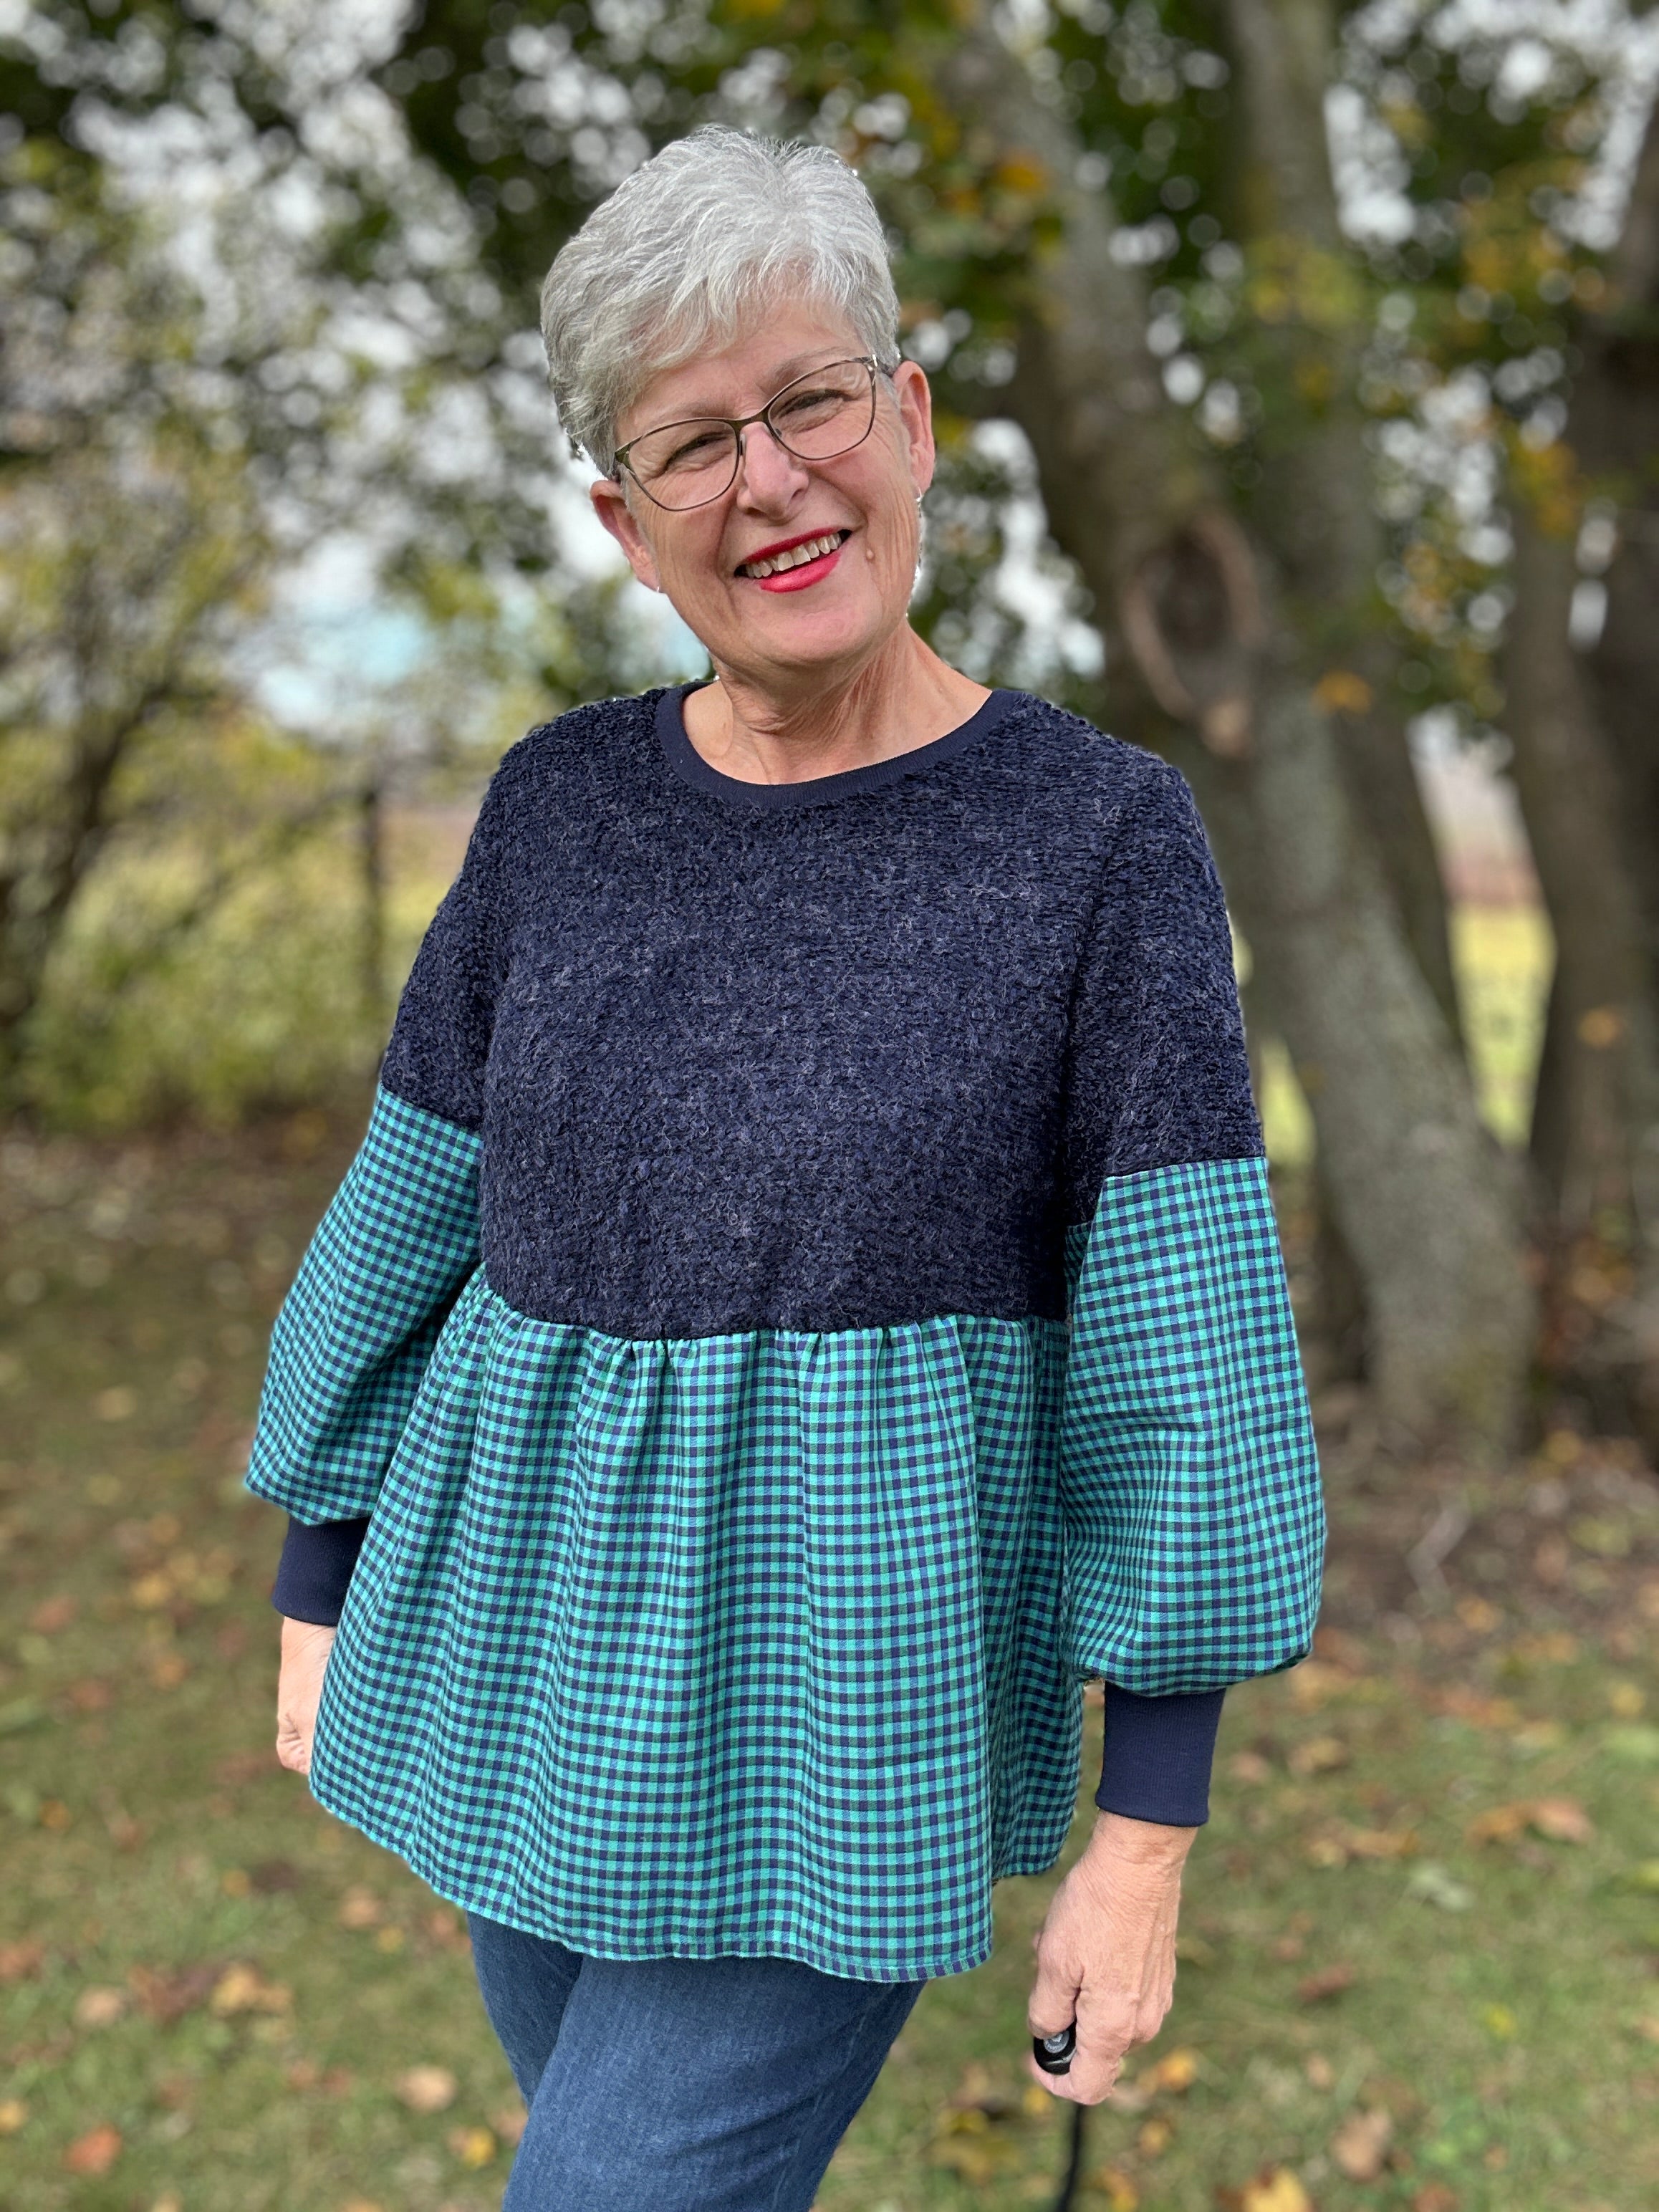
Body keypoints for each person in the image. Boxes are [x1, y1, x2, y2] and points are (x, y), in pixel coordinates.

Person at [251, 125, 1324, 2212]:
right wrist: (320, 1580)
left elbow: (1178, 1344)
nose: (769, 480)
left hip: (847, 1710)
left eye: (810, 398)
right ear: (622, 524)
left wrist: (1144, 1839)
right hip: (524, 1665)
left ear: (910, 420)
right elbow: (409, 1207)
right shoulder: (556, 807)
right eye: (688, 445)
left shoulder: (1095, 842)